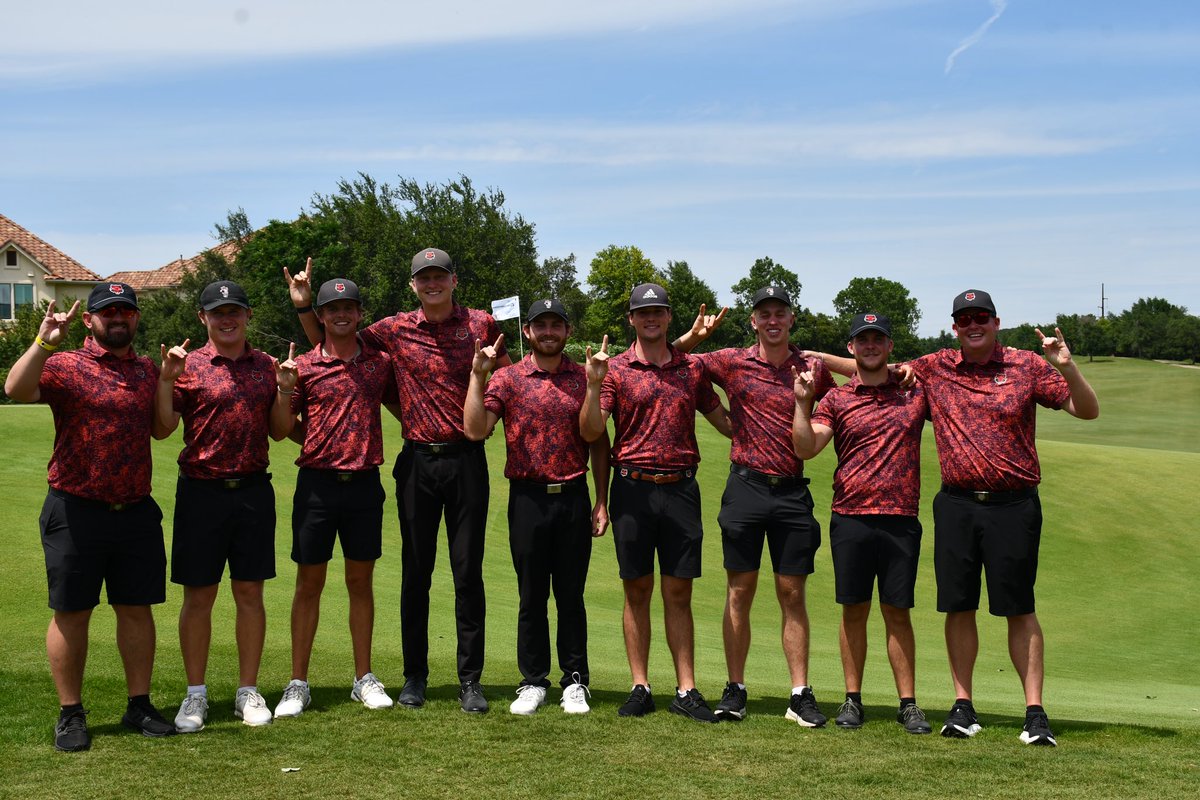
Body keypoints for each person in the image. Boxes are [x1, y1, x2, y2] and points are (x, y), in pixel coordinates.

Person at [812, 289, 1099, 747]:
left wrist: (1067, 364)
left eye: (980, 316)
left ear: (996, 321)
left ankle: (1035, 712)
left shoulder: (1026, 365)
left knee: (1019, 608)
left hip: (1015, 504)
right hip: (958, 505)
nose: (973, 324)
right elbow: (874, 367)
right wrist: (808, 358)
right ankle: (963, 705)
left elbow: (1087, 410)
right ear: (954, 327)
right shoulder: (935, 366)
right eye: (964, 319)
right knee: (959, 605)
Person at [287, 250, 510, 713]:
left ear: (453, 280)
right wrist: (306, 307)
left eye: (439, 277)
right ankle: (415, 677)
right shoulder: (393, 329)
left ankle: (470, 679)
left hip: (468, 459)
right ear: (413, 285)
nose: (431, 284)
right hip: (417, 464)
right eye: (423, 278)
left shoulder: (482, 325)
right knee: (417, 573)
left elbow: (509, 378)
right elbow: (334, 338)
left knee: (468, 573)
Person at [5, 283, 176, 751]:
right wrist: (43, 342)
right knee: (72, 613)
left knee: (136, 609)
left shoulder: (145, 370)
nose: (117, 318)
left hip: (136, 510)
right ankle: (71, 713)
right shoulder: (64, 365)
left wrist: (164, 380)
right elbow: (15, 389)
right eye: (107, 312)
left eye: (125, 311)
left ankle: (138, 705)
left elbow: (162, 430)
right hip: (75, 508)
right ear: (89, 320)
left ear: (136, 318)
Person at [673, 287, 837, 727]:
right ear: (753, 321)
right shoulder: (730, 360)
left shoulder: (812, 368)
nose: (772, 320)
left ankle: (799, 693)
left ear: (791, 318)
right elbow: (675, 362)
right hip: (744, 487)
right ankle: (735, 688)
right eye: (764, 314)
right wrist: (696, 342)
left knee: (792, 594)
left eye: (780, 313)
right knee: (739, 592)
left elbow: (851, 388)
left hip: (791, 491)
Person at [580, 282, 732, 723]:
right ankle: (640, 685)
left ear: (668, 317)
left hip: (682, 489)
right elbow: (592, 432)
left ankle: (686, 689)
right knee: (637, 590)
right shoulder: (616, 370)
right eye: (642, 312)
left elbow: (722, 420)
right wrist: (592, 386)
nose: (651, 318)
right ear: (631, 319)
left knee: (679, 591)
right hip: (634, 489)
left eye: (658, 312)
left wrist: (763, 428)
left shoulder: (692, 369)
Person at [156, 280, 296, 731]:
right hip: (201, 492)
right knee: (199, 596)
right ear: (203, 318)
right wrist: (165, 380)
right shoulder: (187, 365)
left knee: (250, 593)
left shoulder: (266, 365)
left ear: (248, 315)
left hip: (253, 490)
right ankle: (195, 694)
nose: (227, 318)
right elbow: (161, 428)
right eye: (217, 312)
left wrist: (285, 390)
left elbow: (278, 431)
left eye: (235, 310)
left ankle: (247, 690)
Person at [464, 298, 610, 715]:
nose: (548, 331)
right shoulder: (508, 378)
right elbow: (475, 430)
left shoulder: (586, 378)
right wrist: (478, 376)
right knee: (531, 595)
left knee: (570, 594)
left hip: (572, 496)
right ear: (527, 331)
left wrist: (602, 500)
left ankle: (575, 680)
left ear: (567, 331)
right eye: (540, 325)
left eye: (556, 325)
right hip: (527, 498)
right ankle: (532, 681)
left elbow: (598, 443)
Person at [791, 312, 933, 734]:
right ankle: (852, 700)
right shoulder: (836, 399)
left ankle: (908, 703)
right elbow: (806, 448)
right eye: (862, 340)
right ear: (852, 347)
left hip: (901, 519)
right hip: (850, 518)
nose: (870, 346)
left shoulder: (915, 392)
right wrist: (801, 404)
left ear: (889, 346)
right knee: (853, 610)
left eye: (878, 339)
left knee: (898, 612)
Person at [271, 278, 399, 718]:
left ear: (360, 313)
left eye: (348, 307)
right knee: (309, 584)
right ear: (320, 316)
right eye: (331, 308)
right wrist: (315, 437)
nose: (341, 314)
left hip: (364, 485)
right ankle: (297, 682)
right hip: (317, 487)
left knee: (360, 584)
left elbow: (405, 406)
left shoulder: (381, 363)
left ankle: (363, 677)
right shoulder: (302, 366)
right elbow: (283, 427)